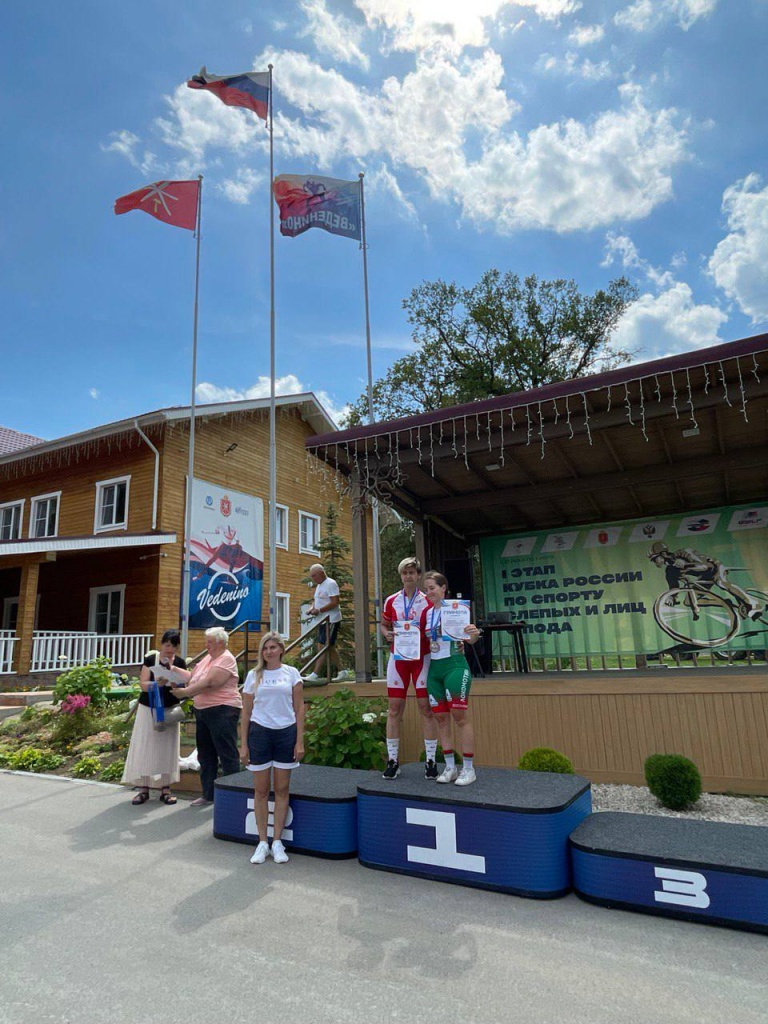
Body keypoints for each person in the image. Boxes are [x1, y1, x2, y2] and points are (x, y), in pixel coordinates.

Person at [239, 631, 305, 864]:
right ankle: (262, 842)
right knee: (260, 790)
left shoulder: (292, 674)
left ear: (281, 650)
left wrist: (299, 740)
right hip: (260, 733)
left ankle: (277, 841)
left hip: (286, 734)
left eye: (273, 647)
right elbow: (246, 713)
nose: (269, 652)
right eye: (265, 648)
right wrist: (244, 745)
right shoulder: (253, 675)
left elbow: (299, 709)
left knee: (282, 789)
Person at [420, 571, 482, 787]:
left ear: (443, 588)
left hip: (454, 665)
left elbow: (471, 639)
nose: (429, 593)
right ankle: (449, 767)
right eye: (426, 589)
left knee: (459, 717)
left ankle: (468, 768)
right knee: (440, 718)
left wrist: (473, 634)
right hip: (435, 669)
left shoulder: (457, 609)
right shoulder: (427, 613)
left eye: (432, 588)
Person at [380, 556, 439, 780]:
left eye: (412, 572)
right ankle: (393, 760)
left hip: (421, 658)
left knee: (426, 707)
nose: (408, 576)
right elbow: (384, 625)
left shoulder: (427, 600)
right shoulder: (391, 600)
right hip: (398, 658)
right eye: (405, 573)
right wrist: (388, 635)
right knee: (394, 708)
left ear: (418, 575)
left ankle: (431, 760)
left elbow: (436, 624)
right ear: (400, 575)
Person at [170, 626, 241, 807]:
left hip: (223, 710)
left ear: (219, 642)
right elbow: (193, 677)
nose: (206, 645)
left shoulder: (226, 659)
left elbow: (211, 682)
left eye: (209, 642)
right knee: (205, 754)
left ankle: (233, 797)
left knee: (227, 754)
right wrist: (171, 669)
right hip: (203, 711)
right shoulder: (207, 659)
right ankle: (208, 794)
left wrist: (185, 692)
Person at [122, 629, 187, 805]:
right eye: (167, 645)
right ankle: (144, 788)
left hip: (169, 708)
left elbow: (184, 686)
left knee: (167, 747)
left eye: (173, 646)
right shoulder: (151, 660)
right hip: (148, 708)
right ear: (161, 644)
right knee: (146, 745)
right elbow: (143, 684)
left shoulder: (180, 663)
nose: (170, 649)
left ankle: (165, 788)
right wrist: (155, 684)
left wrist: (175, 683)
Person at [648, 542, 764, 618]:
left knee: (721, 583)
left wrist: (685, 565)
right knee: (689, 602)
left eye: (655, 559)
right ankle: (726, 604)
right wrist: (672, 597)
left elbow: (703, 566)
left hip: (714, 567)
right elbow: (673, 585)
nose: (654, 562)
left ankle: (753, 604)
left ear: (662, 554)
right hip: (704, 577)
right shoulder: (670, 570)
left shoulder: (683, 553)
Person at [305, 563, 350, 682]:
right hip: (322, 621)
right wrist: (311, 608)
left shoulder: (330, 584)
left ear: (321, 573)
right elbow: (317, 601)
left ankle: (315, 674)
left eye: (314, 576)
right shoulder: (320, 586)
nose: (313, 579)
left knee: (323, 646)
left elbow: (335, 602)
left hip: (331, 620)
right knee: (329, 647)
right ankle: (342, 671)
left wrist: (319, 610)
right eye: (311, 576)